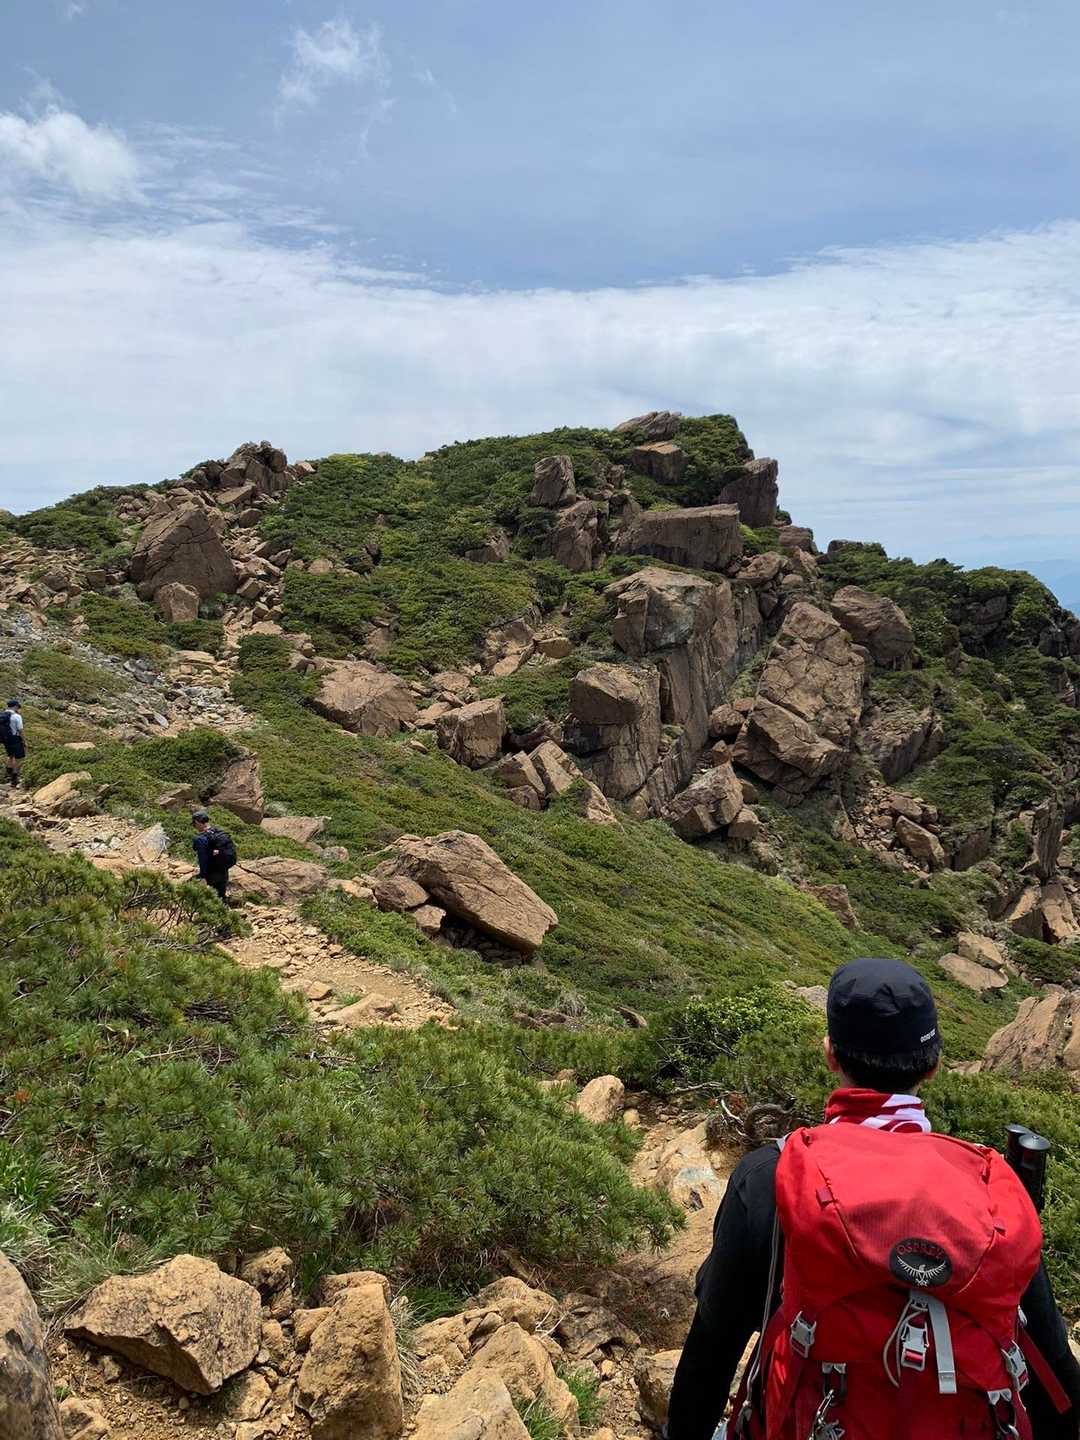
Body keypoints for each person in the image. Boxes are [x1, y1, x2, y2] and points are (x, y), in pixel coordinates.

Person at [665, 957, 1080, 1440]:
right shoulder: (990, 1191)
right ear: (934, 1067)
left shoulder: (770, 1178)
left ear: (830, 1055)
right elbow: (1054, 1377)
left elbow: (710, 1357)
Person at [191, 809, 235, 902]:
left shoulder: (200, 838)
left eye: (194, 824)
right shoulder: (218, 832)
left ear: (197, 822)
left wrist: (202, 874)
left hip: (212, 872)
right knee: (221, 895)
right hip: (224, 869)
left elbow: (202, 859)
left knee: (212, 899)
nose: (194, 827)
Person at [0, 699, 25, 787]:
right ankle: (14, 778)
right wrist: (24, 741)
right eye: (18, 707)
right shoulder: (17, 716)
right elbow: (20, 730)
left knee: (10, 756)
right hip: (15, 738)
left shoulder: (2, 715)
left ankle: (8, 774)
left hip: (5, 739)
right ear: (15, 706)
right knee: (17, 758)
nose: (18, 708)